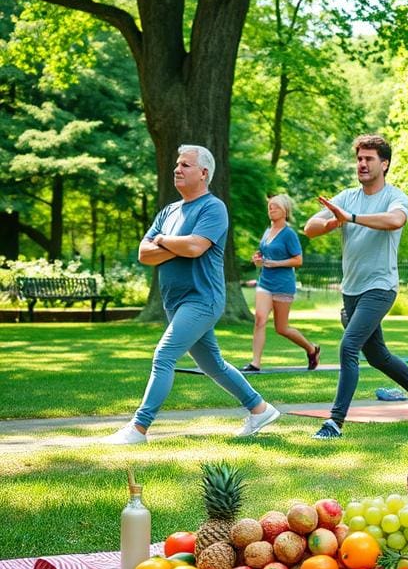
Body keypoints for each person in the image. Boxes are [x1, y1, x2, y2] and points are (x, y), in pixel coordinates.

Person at [101, 145, 280, 444]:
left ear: (204, 173)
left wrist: (163, 241)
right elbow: (144, 254)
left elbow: (196, 247)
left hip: (202, 299)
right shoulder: (168, 211)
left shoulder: (213, 208)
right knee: (213, 365)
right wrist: (174, 244)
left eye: (185, 165)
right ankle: (260, 409)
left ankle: (138, 428)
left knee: (164, 355)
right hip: (176, 301)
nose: (177, 169)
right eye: (177, 164)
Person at [304, 135, 408, 439]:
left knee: (349, 347)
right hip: (351, 290)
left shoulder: (395, 196)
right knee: (378, 356)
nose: (362, 164)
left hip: (380, 287)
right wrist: (331, 223)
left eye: (369, 159)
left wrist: (351, 218)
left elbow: (394, 221)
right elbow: (309, 227)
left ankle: (334, 422)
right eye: (359, 159)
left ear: (385, 164)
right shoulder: (347, 196)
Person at [243, 194, 320, 372]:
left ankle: (311, 349)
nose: (271, 209)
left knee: (282, 328)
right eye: (270, 206)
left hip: (283, 285)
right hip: (265, 282)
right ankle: (255, 363)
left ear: (285, 210)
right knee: (260, 319)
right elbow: (262, 253)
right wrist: (257, 258)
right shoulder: (267, 231)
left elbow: (298, 260)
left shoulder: (289, 234)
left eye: (276, 206)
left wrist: (277, 263)